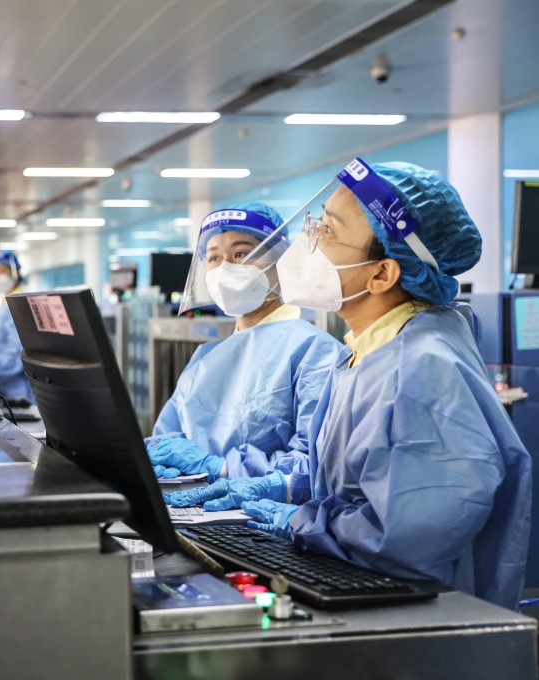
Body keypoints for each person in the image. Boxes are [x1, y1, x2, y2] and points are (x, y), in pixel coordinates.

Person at [188, 159, 531, 610]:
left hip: (418, 620)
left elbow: (408, 536)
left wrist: (301, 523)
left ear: (382, 274)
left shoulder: (422, 370)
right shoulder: (368, 349)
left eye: (326, 232)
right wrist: (286, 487)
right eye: (315, 224)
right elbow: (356, 478)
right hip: (370, 587)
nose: (306, 245)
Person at [152, 203, 342, 496]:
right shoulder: (206, 359)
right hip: (193, 513)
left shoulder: (315, 352)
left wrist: (223, 469)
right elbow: (166, 440)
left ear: (280, 260)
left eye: (241, 254)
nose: (226, 268)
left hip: (263, 524)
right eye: (214, 257)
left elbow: (314, 468)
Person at [0, 250, 34, 404]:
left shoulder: (19, 306)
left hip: (19, 396)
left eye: (1, 271)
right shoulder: (1, 307)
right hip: (3, 392)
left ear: (16, 272)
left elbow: (14, 359)